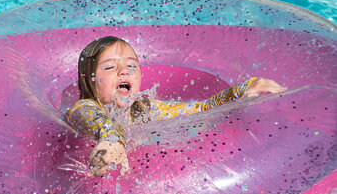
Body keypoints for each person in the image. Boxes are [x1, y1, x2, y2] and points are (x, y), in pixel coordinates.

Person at [67, 36, 286, 177]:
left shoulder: (144, 108)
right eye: (111, 67)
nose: (124, 71)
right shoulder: (84, 108)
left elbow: (200, 110)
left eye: (132, 65)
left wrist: (240, 90)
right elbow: (99, 122)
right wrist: (112, 141)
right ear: (90, 79)